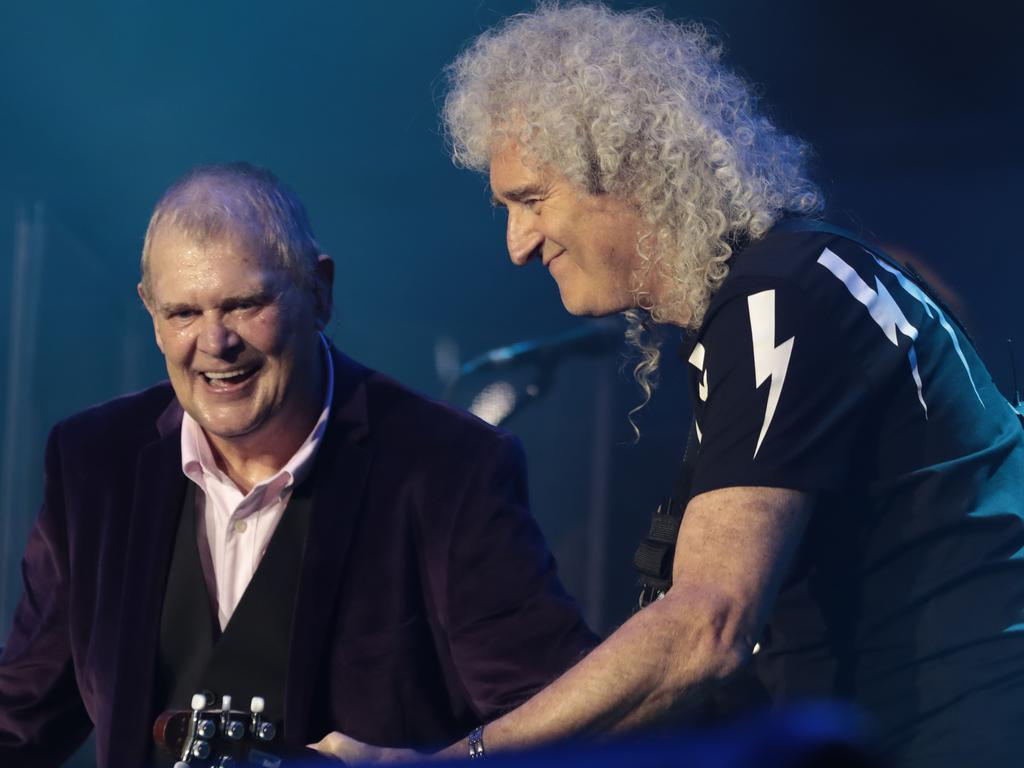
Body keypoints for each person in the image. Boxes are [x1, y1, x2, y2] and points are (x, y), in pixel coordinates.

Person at [314, 4, 1024, 766]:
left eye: (530, 200)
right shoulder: (791, 284)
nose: (518, 244)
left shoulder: (778, 298)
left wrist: (457, 760)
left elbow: (708, 627)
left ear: (624, 166)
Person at [0, 163, 597, 767]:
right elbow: (19, 725)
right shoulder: (94, 464)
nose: (215, 342)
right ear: (150, 314)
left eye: (244, 305)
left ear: (319, 292)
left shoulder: (449, 469)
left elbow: (562, 717)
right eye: (183, 313)